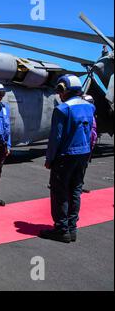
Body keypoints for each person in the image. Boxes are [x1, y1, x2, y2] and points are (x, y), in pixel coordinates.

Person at [41, 75, 96, 243]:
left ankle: (61, 229)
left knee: (60, 192)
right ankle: (72, 228)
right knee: (75, 191)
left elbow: (55, 137)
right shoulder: (89, 107)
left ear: (64, 89)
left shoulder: (62, 109)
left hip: (66, 157)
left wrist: (49, 158)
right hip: (83, 155)